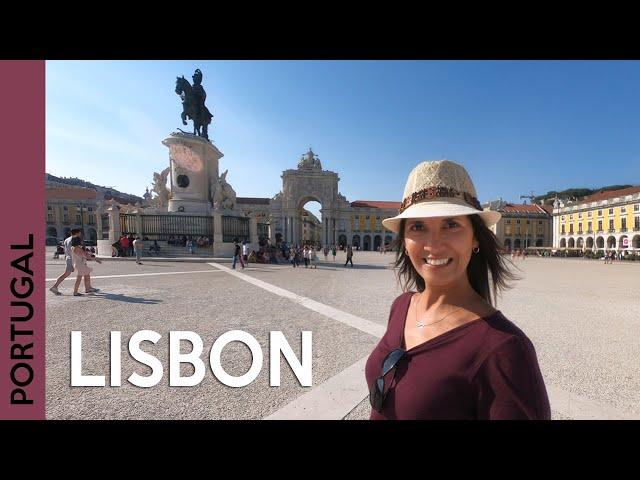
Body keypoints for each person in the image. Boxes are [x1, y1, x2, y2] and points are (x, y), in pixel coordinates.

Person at [365, 160, 550, 420]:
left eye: (451, 224)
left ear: (475, 237)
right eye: (418, 226)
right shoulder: (401, 307)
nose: (434, 244)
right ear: (404, 240)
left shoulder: (505, 350)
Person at [50, 229, 82, 295]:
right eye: (79, 233)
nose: (80, 234)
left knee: (66, 274)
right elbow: (75, 250)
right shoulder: (75, 239)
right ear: (76, 233)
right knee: (80, 273)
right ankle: (75, 292)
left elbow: (66, 250)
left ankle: (55, 287)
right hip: (73, 258)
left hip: (68, 258)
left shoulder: (67, 239)